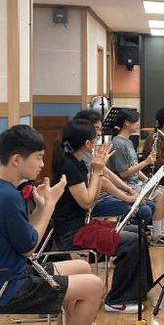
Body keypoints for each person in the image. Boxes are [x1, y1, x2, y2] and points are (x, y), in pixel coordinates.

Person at [0, 125, 104, 323]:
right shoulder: (8, 197)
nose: (42, 164)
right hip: (10, 286)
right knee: (94, 286)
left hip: (13, 272)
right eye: (38, 157)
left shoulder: (7, 192)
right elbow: (28, 249)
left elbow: (24, 235)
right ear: (16, 160)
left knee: (82, 266)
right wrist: (50, 205)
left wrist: (40, 209)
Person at [51, 119, 153, 314]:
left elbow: (94, 194)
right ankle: (116, 300)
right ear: (87, 143)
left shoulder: (76, 163)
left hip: (82, 225)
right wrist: (97, 170)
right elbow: (87, 202)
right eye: (96, 138)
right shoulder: (69, 166)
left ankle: (139, 290)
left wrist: (97, 170)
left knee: (137, 231)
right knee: (131, 241)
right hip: (71, 234)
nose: (98, 142)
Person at [73, 110, 152, 225]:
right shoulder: (79, 156)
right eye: (96, 128)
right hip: (96, 202)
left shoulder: (91, 152)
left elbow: (108, 174)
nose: (99, 133)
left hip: (103, 196)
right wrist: (127, 197)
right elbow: (103, 180)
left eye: (100, 129)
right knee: (144, 210)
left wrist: (129, 190)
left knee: (148, 205)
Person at [107, 108, 164, 245]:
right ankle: (157, 236)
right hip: (126, 186)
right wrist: (146, 162)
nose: (138, 124)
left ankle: (161, 230)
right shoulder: (118, 143)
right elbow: (124, 173)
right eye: (135, 121)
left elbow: (135, 168)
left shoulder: (129, 142)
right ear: (126, 123)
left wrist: (148, 181)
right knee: (160, 195)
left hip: (136, 183)